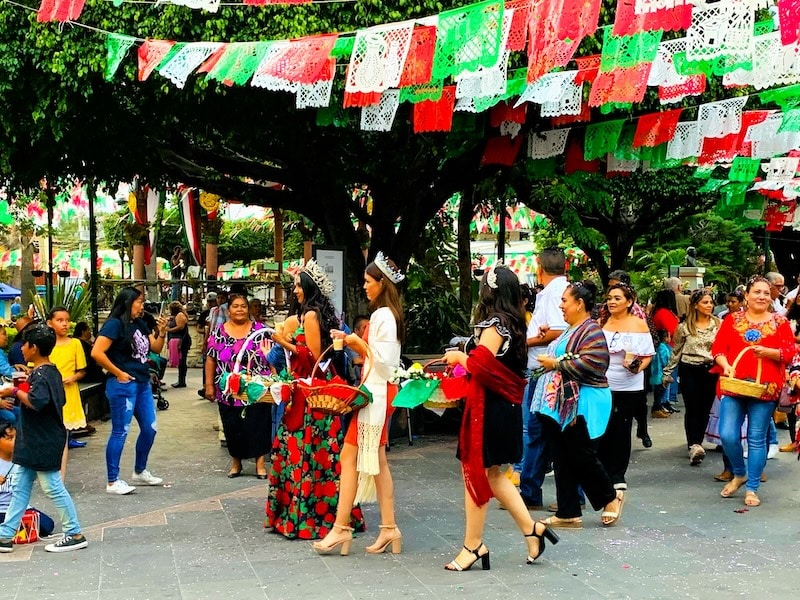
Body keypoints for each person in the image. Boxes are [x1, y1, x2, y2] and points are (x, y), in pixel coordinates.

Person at [439, 265, 558, 571]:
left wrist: (459, 357)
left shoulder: (494, 323)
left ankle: (472, 546)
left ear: (489, 290)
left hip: (489, 409)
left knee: (477, 476)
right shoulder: (515, 321)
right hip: (503, 407)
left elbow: (480, 364)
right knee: (493, 475)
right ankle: (533, 531)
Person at [312, 252, 404, 556]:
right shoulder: (386, 315)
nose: (364, 286)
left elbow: (385, 364)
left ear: (382, 283)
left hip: (375, 395)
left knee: (350, 458)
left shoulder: (383, 316)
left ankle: (342, 529)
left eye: (368, 281)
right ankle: (387, 528)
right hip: (376, 394)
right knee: (373, 463)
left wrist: (355, 342)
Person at [267, 259, 364, 540]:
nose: (294, 290)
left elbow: (311, 356)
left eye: (298, 285)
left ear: (308, 287)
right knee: (319, 454)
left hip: (310, 394)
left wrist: (283, 342)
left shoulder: (310, 316)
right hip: (312, 390)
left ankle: (305, 516)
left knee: (306, 452)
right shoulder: (310, 314)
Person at [534, 281, 624, 528]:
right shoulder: (571, 329)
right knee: (563, 455)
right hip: (566, 402)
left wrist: (556, 365)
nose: (561, 305)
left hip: (586, 401)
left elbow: (594, 363)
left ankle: (610, 496)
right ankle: (568, 510)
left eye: (565, 301)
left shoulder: (591, 330)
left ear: (579, 303)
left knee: (581, 453)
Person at [0, 324, 88, 553]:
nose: (22, 349)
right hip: (34, 441)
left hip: (42, 441)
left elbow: (37, 402)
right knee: (19, 486)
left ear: (34, 348)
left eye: (25, 345)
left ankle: (74, 532)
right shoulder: (50, 371)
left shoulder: (42, 374)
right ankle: (5, 535)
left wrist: (14, 392)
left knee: (53, 487)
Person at [712, 276, 796, 507]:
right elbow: (718, 348)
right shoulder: (732, 319)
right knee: (728, 434)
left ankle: (752, 487)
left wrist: (768, 352)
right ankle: (740, 472)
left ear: (772, 297)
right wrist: (726, 365)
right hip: (734, 384)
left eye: (766, 293)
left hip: (765, 388)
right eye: (757, 292)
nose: (761, 296)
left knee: (757, 439)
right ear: (746, 295)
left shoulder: (780, 322)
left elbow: (789, 353)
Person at [92, 287, 167, 495]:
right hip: (123, 384)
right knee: (120, 431)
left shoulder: (139, 323)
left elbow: (156, 348)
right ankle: (112, 480)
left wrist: (161, 331)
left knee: (150, 428)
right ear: (128, 302)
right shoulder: (115, 324)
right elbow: (97, 352)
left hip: (142, 382)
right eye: (139, 301)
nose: (142, 305)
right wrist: (118, 372)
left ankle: (140, 470)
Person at [519, 248, 570, 511]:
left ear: (540, 267)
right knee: (540, 432)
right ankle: (530, 489)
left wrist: (526, 342)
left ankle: (535, 490)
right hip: (543, 370)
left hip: (546, 371)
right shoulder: (554, 290)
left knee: (542, 432)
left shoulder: (555, 292)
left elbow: (560, 329)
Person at [204, 294, 272, 478]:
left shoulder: (261, 330)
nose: (240, 309)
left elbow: (272, 357)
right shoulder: (219, 331)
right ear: (229, 310)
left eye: (243, 306)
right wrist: (209, 385)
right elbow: (210, 359)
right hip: (229, 390)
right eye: (235, 306)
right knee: (233, 426)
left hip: (257, 388)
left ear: (248, 309)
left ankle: (260, 464)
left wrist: (276, 381)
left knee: (258, 424)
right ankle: (236, 463)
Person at [598, 283, 655, 491]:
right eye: (610, 298)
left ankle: (617, 474)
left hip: (629, 385)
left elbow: (647, 355)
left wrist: (636, 367)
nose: (612, 302)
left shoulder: (638, 324)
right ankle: (602, 470)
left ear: (629, 302)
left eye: (617, 298)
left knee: (621, 428)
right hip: (603, 383)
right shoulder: (602, 321)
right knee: (603, 427)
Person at [662, 289, 721, 466]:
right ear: (695, 305)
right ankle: (693, 444)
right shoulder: (684, 327)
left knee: (705, 408)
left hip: (711, 369)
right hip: (690, 369)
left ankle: (698, 441)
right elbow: (676, 351)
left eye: (711, 302)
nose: (709, 305)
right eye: (705, 302)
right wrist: (667, 372)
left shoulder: (719, 324)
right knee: (693, 407)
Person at [47, 306, 87, 477]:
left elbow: (82, 370)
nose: (64, 324)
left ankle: (60, 477)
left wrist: (72, 378)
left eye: (67, 320)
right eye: (59, 320)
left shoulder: (75, 343)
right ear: (50, 323)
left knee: (63, 437)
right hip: (49, 394)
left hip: (68, 394)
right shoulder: (45, 344)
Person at [0, 421, 55, 538]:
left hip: (21, 508)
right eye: (9, 439)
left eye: (16, 438)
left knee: (47, 525)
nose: (15, 442)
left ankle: (12, 531)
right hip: (1, 509)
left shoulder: (22, 460)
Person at [651, 289, 680, 416]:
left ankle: (664, 402)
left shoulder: (660, 312)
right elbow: (672, 329)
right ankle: (661, 402)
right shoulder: (664, 313)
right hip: (667, 346)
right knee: (666, 374)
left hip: (669, 344)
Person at [165, 301, 191, 388]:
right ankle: (180, 380)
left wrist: (169, 330)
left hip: (182, 340)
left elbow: (180, 327)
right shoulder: (175, 316)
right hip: (177, 339)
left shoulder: (180, 315)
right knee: (181, 361)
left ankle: (182, 381)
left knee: (182, 361)